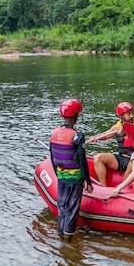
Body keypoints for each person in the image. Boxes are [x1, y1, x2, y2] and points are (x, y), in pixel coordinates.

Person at [49, 98, 93, 240]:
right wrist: (88, 180)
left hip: (61, 177)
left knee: (62, 206)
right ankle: (68, 240)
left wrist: (58, 174)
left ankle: (60, 235)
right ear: (76, 116)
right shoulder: (78, 135)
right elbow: (82, 160)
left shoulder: (54, 133)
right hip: (75, 179)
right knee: (72, 208)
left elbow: (52, 158)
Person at [88, 101, 134, 186]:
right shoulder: (117, 127)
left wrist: (126, 134)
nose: (132, 116)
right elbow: (105, 136)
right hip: (121, 158)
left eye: (132, 113)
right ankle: (104, 188)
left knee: (132, 164)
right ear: (122, 116)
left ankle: (123, 188)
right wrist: (95, 137)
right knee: (98, 157)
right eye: (128, 114)